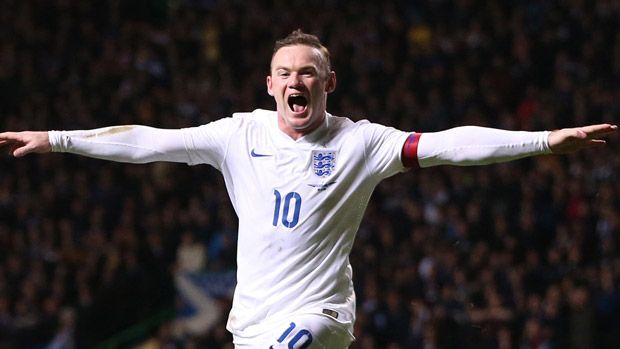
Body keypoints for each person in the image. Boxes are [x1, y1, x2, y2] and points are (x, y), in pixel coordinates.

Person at [0, 30, 616, 349]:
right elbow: (145, 141)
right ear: (270, 84)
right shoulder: (236, 135)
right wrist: (57, 138)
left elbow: (450, 144)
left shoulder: (363, 142)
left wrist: (542, 141)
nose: (298, 82)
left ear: (329, 84)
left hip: (321, 318)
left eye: (309, 74)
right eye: (287, 73)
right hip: (252, 323)